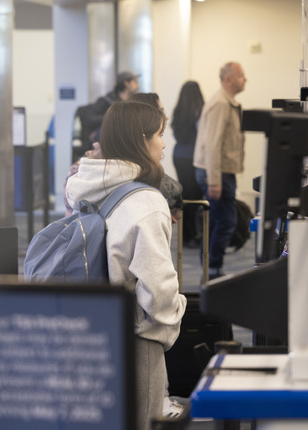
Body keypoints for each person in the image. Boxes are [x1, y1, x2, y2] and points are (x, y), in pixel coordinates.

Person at [65, 101, 187, 430]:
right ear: (142, 139)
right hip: (137, 341)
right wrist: (177, 313)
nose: (164, 144)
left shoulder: (87, 190)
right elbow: (158, 295)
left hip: (89, 332)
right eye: (160, 135)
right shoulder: (146, 202)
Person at [193, 62, 247, 279]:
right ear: (228, 79)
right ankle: (213, 269)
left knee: (218, 219)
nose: (246, 79)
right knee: (226, 221)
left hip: (221, 171)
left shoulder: (226, 103)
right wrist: (214, 180)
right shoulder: (221, 104)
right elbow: (213, 145)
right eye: (242, 76)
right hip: (216, 172)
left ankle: (210, 267)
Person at [171, 81, 206, 248]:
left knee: (185, 195)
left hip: (178, 155)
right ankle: (194, 235)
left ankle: (185, 235)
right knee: (196, 196)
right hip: (194, 157)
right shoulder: (201, 111)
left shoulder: (178, 112)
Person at [83, 71, 141, 142]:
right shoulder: (106, 101)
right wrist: (111, 117)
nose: (137, 86)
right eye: (135, 82)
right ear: (126, 83)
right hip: (108, 141)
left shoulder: (133, 103)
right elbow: (89, 119)